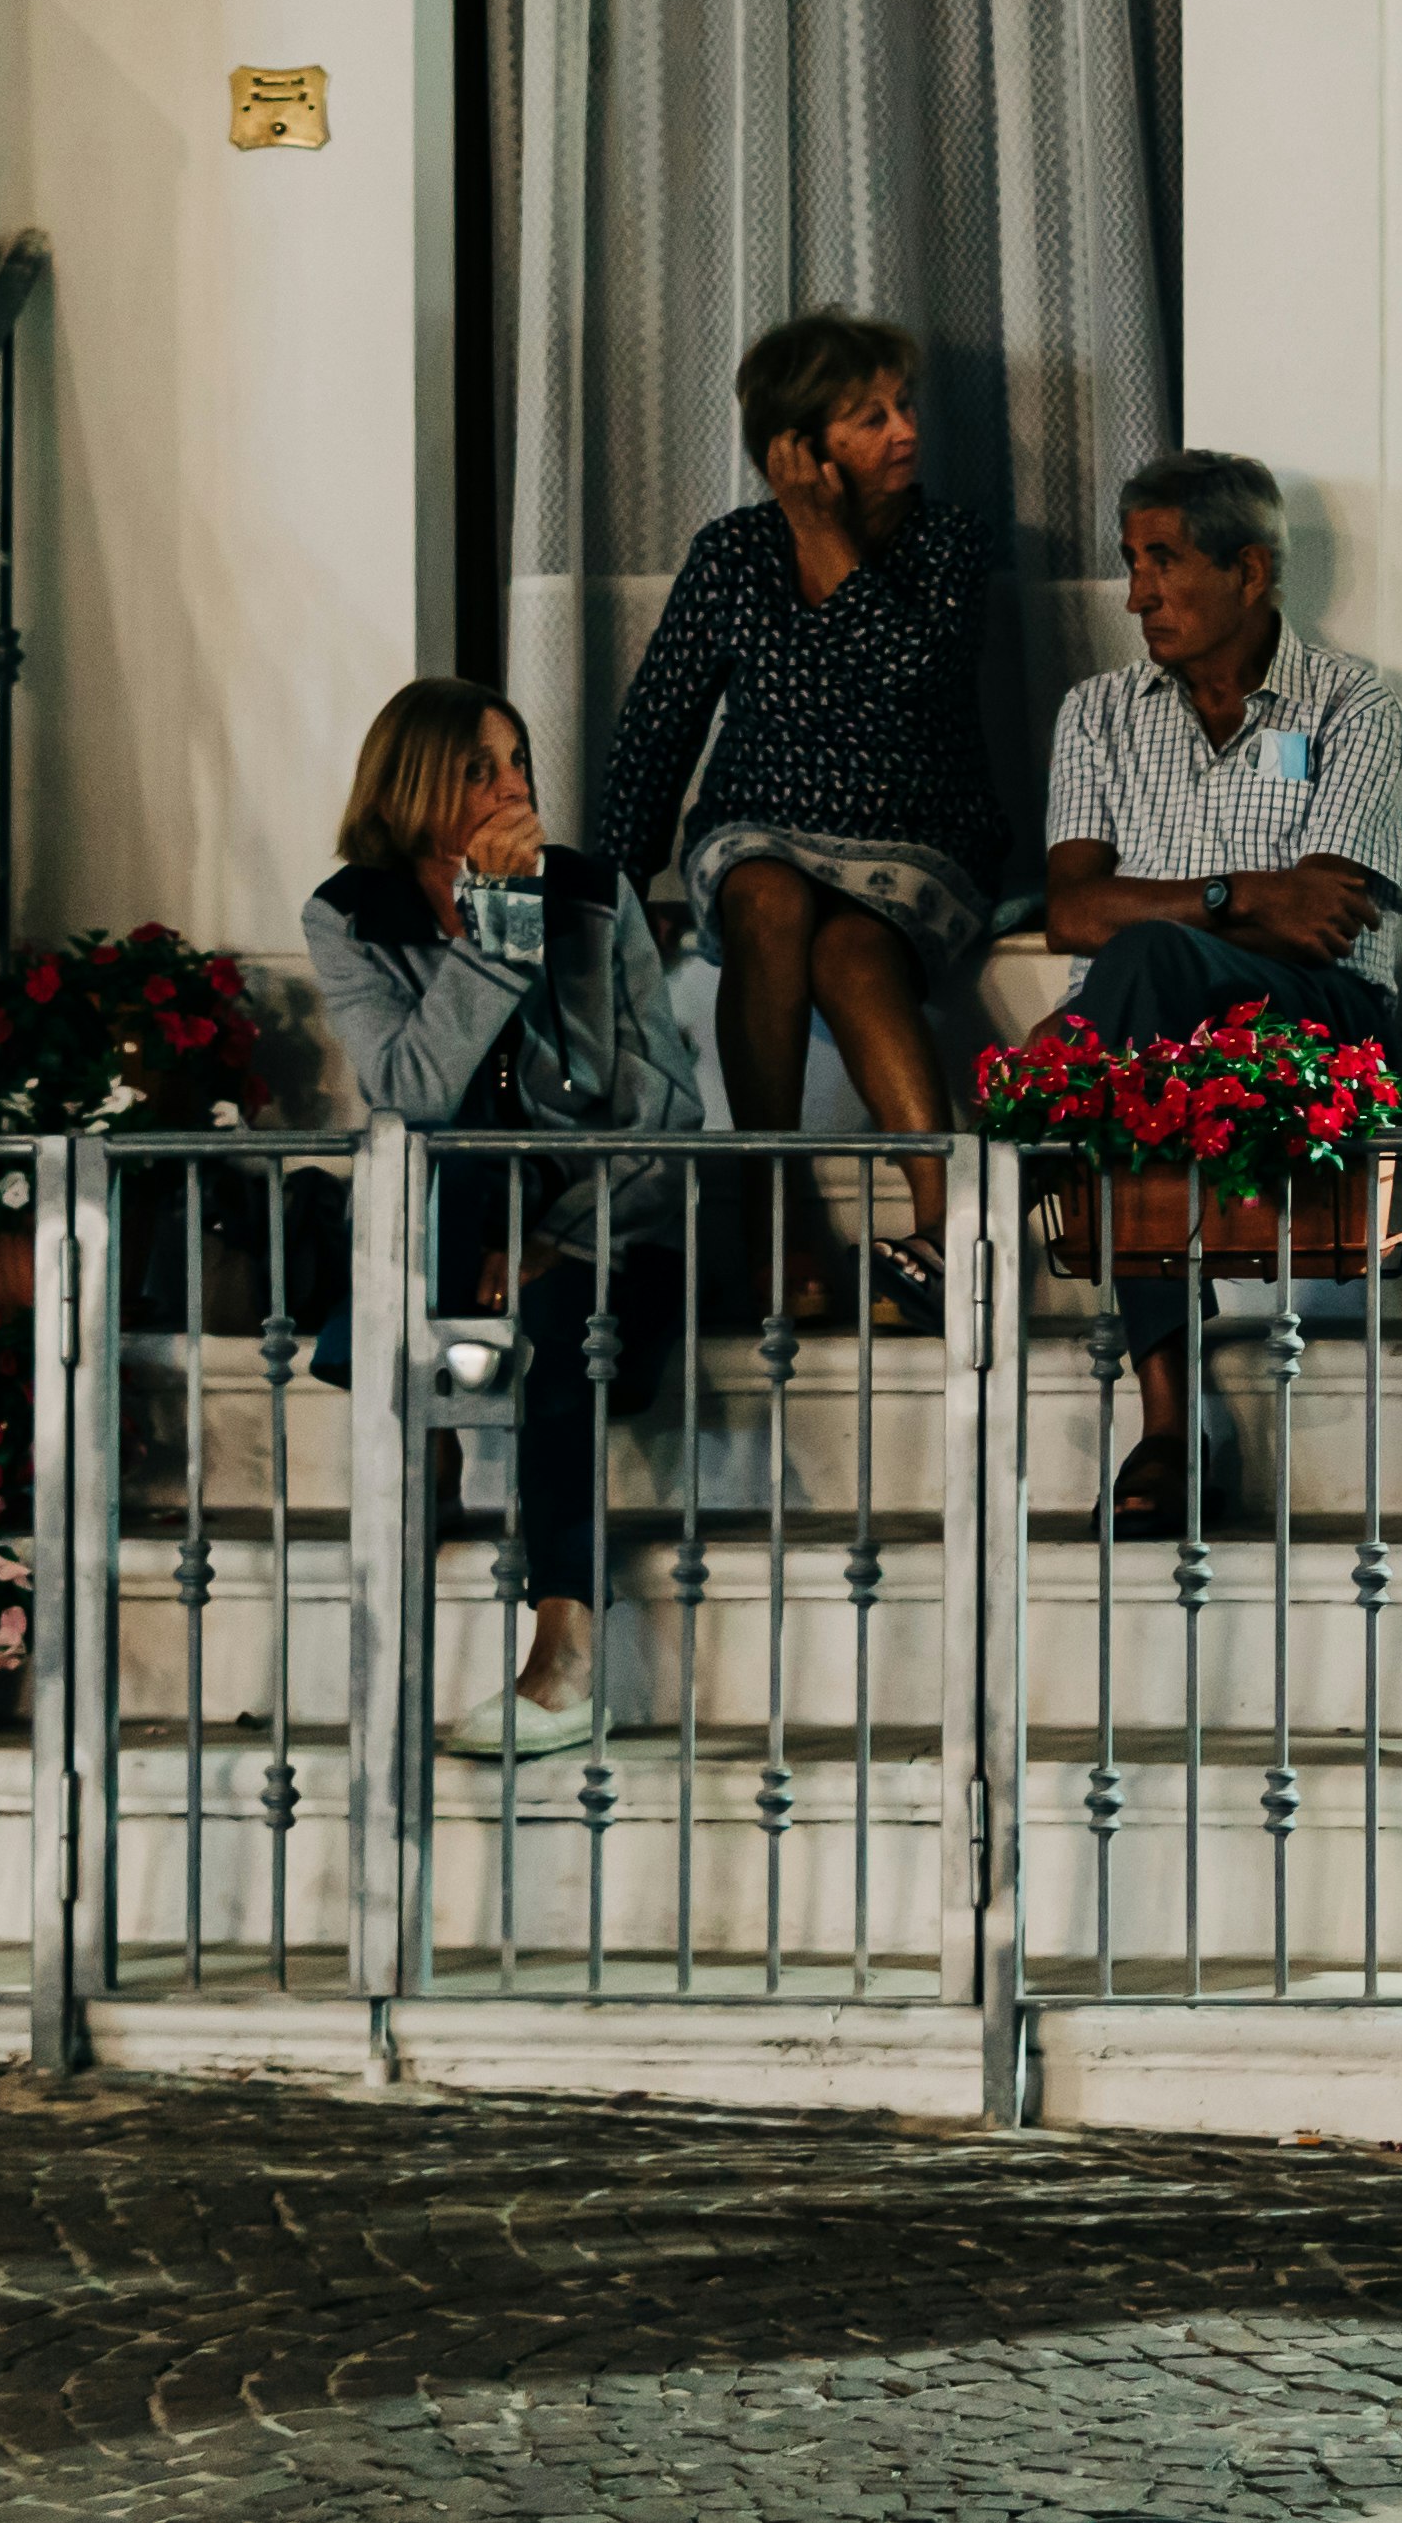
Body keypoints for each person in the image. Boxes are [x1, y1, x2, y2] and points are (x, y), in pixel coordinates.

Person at [306, 677, 712, 1758]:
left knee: (561, 1325)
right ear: (414, 781)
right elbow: (414, 1087)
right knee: (433, 1168)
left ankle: (565, 1653)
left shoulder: (592, 893)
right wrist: (495, 937)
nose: (512, 784)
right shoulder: (352, 915)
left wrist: (559, 1237)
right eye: (480, 766)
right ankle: (419, 1433)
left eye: (519, 759)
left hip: (603, 1221)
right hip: (452, 1223)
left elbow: (662, 1108)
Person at [588, 311, 1009, 1311]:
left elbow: (910, 674)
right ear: (798, 445)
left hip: (919, 842)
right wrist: (615, 886)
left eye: (903, 406)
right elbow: (658, 726)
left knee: (852, 954)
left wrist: (822, 533)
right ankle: (773, 1220)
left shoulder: (949, 542)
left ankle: (953, 1228)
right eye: (870, 417)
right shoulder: (733, 554)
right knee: (767, 896)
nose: (905, 430)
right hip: (757, 833)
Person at [1040, 448, 1402, 1530]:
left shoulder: (1353, 703)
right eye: (1130, 561)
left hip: (1324, 1018)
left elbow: (1325, 922)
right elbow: (1070, 908)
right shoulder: (1097, 713)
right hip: (1157, 1031)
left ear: (1250, 572)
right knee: (1143, 983)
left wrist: (1157, 912)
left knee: (1137, 972)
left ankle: (1046, 1102)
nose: (1135, 592)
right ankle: (1170, 1416)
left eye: (1163, 560)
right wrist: (1235, 892)